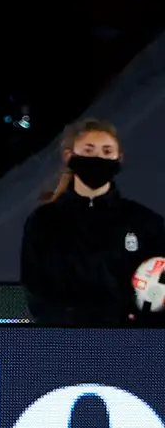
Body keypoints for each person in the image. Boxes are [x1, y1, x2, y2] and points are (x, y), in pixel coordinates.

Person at [21, 118, 165, 326]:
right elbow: (37, 292)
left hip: (133, 343)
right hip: (69, 344)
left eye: (107, 152)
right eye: (89, 151)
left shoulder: (144, 222)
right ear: (69, 156)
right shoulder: (44, 222)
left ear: (119, 158)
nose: (98, 157)